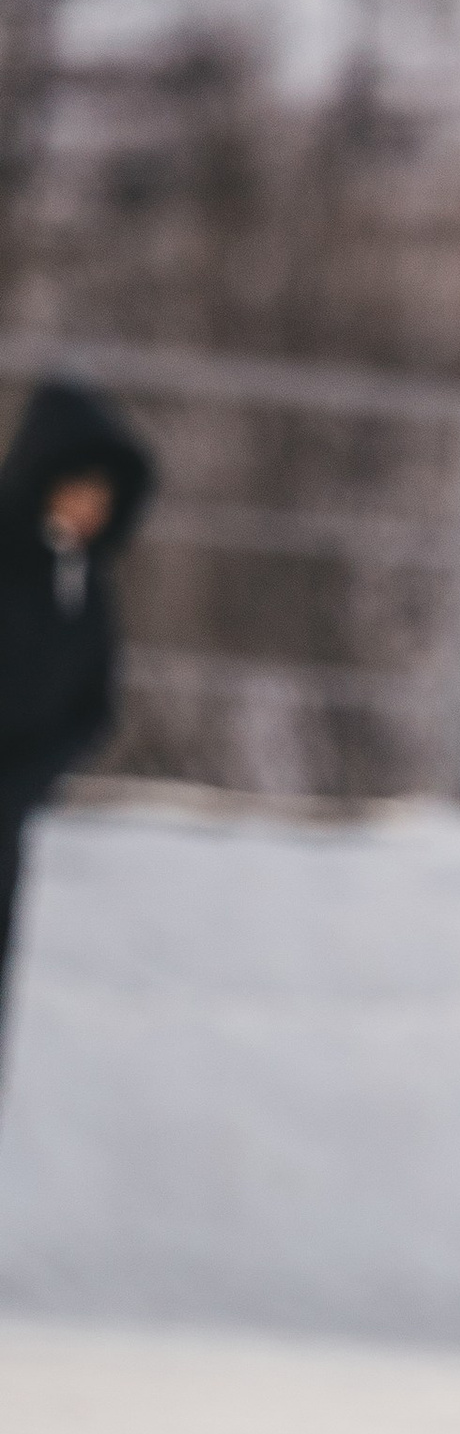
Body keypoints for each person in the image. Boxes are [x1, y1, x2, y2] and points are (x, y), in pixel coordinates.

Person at [0, 379, 157, 1067]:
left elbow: (94, 704)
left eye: (102, 497)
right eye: (78, 488)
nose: (89, 509)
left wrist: (29, 783)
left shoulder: (86, 583)